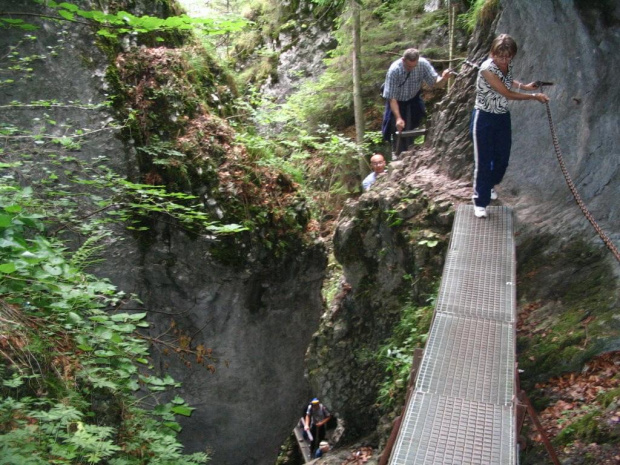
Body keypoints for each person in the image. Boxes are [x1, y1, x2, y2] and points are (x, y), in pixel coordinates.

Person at [470, 34, 549, 218]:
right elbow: (506, 92)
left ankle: (489, 184)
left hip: (502, 116)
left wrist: (526, 87)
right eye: (500, 56)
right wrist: (534, 97)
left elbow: (508, 81)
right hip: (484, 117)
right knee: (483, 161)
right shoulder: (486, 69)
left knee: (502, 159)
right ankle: (480, 202)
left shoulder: (506, 64)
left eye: (508, 56)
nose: (504, 60)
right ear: (492, 53)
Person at [381, 48, 451, 156]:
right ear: (403, 60)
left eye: (414, 66)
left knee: (411, 127)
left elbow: (436, 83)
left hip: (413, 100)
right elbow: (392, 98)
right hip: (397, 103)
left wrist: (444, 78)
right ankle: (398, 154)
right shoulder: (394, 70)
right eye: (409, 66)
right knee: (396, 128)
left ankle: (410, 152)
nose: (411, 68)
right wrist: (398, 118)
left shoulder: (422, 64)